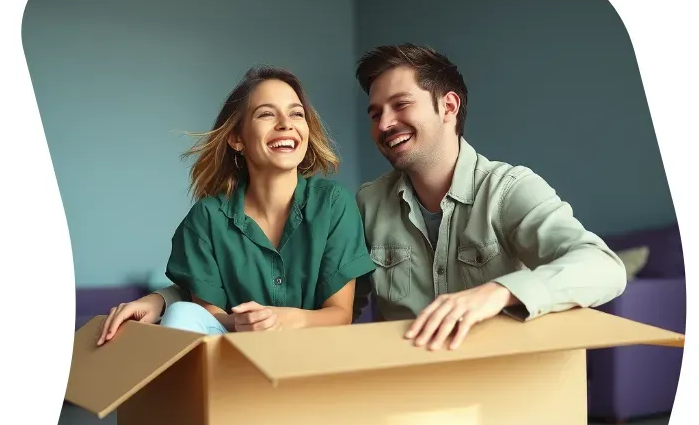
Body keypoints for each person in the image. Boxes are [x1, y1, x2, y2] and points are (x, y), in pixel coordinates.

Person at [99, 45, 626, 351]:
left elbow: (603, 268)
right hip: (398, 393)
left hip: (499, 387)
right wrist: (162, 300)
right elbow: (306, 294)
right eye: (375, 113)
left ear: (449, 105)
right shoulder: (366, 205)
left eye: (400, 105)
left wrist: (497, 293)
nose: (385, 123)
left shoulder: (510, 190)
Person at [97, 66, 374, 344]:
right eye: (266, 114)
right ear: (236, 138)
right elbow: (207, 315)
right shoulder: (206, 218)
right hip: (232, 357)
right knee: (182, 314)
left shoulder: (333, 203)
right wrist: (246, 323)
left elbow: (339, 315)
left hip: (311, 357)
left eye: (296, 113)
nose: (286, 124)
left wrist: (281, 320)